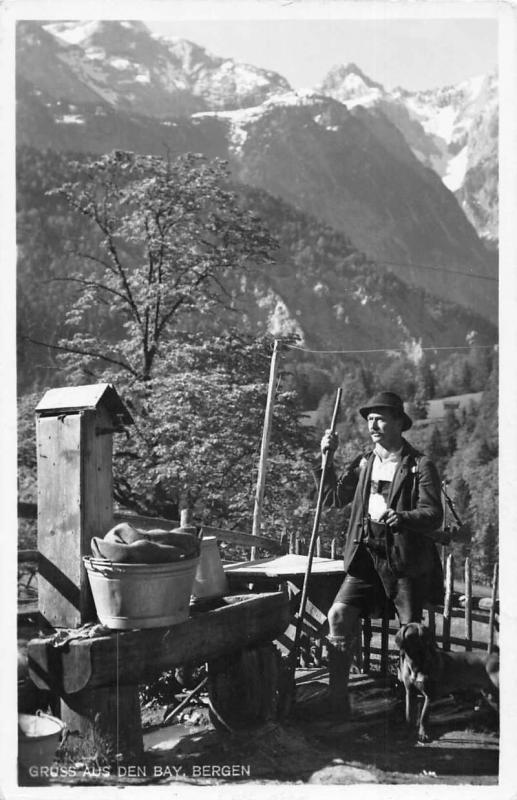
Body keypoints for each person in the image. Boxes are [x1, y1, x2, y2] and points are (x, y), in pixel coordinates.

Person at [316, 390, 444, 717]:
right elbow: (331, 498)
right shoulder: (364, 461)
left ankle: (414, 711)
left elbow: (433, 514)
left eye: (380, 418)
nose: (373, 424)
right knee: (338, 616)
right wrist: (326, 460)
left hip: (404, 561)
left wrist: (402, 517)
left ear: (399, 422)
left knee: (411, 636)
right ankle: (337, 701)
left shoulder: (420, 465)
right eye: (370, 419)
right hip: (366, 558)